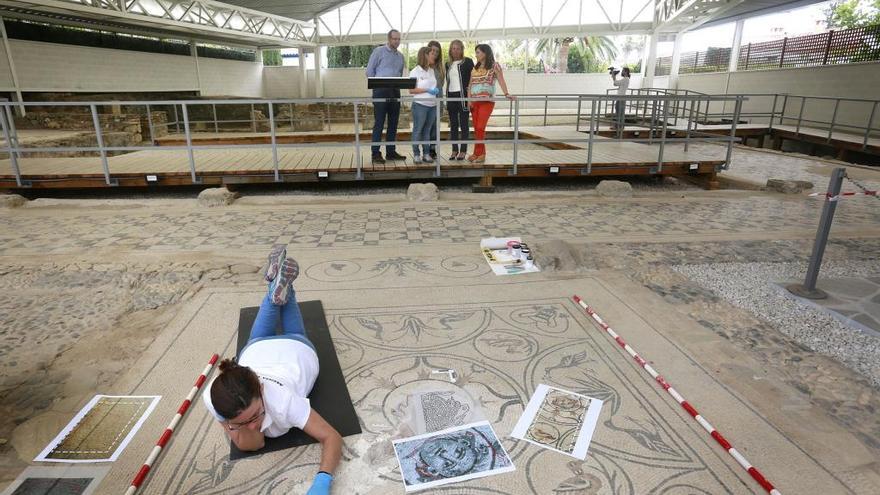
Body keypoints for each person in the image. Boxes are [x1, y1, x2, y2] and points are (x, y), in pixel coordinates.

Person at [203, 245, 342, 495]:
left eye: (256, 415)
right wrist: (242, 428)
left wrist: (322, 481)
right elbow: (251, 442)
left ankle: (280, 288)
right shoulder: (213, 397)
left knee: (296, 333)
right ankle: (275, 288)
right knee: (257, 337)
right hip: (255, 353)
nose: (254, 425)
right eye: (240, 422)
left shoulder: (283, 402)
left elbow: (331, 437)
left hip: (297, 352)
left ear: (261, 387)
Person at [366, 29, 407, 165]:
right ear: (389, 39)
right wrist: (379, 84)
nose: (396, 41)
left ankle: (390, 152)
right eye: (394, 39)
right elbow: (369, 72)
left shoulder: (400, 56)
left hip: (395, 90)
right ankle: (376, 153)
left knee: (394, 122)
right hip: (380, 90)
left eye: (398, 39)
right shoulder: (379, 52)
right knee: (379, 122)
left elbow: (399, 74)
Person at [467, 44, 514, 163]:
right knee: (477, 129)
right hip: (474, 102)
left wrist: (506, 93)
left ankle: (481, 154)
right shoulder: (475, 67)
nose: (476, 54)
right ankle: (476, 153)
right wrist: (469, 100)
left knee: (480, 127)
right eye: (476, 52)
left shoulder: (494, 66)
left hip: (486, 102)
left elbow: (501, 79)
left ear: (485, 53)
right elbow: (470, 85)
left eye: (478, 52)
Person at [408, 47, 440, 164]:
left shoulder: (431, 71)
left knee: (427, 130)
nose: (434, 56)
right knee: (418, 130)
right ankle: (416, 154)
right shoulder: (415, 71)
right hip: (420, 105)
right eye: (432, 53)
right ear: (425, 55)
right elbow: (411, 90)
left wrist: (434, 91)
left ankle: (426, 154)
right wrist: (427, 89)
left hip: (432, 105)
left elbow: (433, 86)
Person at [445, 39, 474, 161]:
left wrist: (470, 93)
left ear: (462, 49)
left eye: (458, 48)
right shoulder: (448, 64)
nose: (455, 50)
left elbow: (474, 78)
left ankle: (463, 150)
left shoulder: (468, 62)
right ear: (450, 50)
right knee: (453, 125)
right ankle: (454, 150)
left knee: (464, 124)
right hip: (451, 95)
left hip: (463, 96)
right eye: (453, 48)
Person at [426, 40, 444, 160]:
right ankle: (425, 150)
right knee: (426, 126)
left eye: (437, 51)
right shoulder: (423, 66)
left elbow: (441, 84)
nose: (435, 53)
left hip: (438, 98)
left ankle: (432, 149)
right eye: (432, 50)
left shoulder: (440, 67)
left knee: (435, 126)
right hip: (426, 98)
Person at [611, 67, 631, 131]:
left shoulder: (625, 79)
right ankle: (620, 126)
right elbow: (615, 84)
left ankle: (618, 127)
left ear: (626, 72)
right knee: (620, 113)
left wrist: (613, 75)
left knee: (619, 113)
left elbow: (616, 83)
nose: (622, 72)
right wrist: (613, 76)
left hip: (621, 98)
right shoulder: (625, 79)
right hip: (621, 98)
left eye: (623, 71)